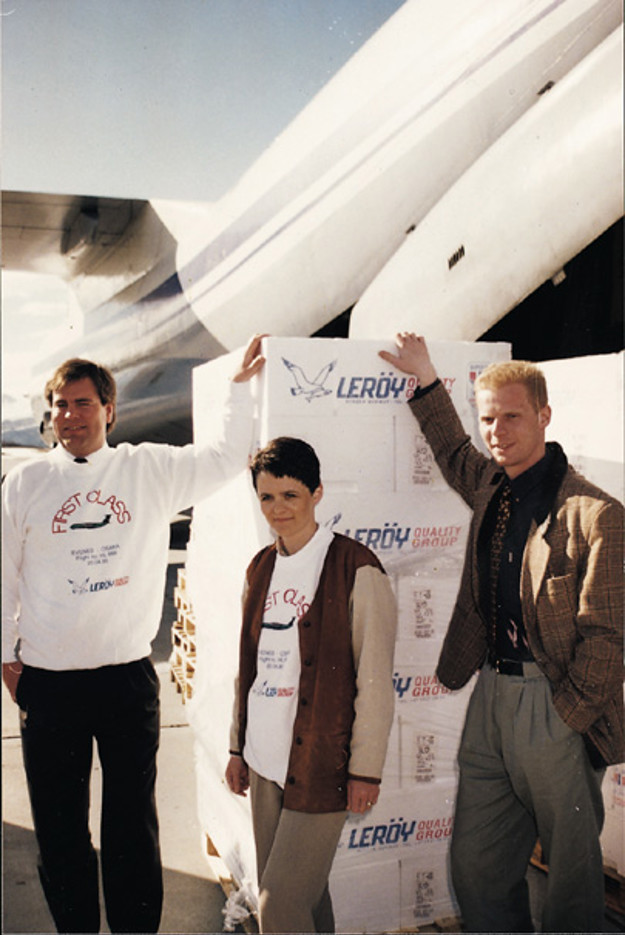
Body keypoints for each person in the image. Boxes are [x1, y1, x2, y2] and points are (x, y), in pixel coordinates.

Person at [2, 335, 265, 934]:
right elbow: (2, 576)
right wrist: (6, 659)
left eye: (83, 403)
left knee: (131, 826)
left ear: (109, 410)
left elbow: (226, 457)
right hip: (49, 684)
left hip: (125, 680)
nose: (70, 416)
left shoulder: (148, 469)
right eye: (60, 405)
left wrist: (236, 389)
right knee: (60, 829)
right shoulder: (25, 484)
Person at [380, 332, 624, 934]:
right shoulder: (492, 487)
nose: (497, 431)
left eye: (511, 417)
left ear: (544, 416)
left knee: (570, 881)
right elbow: (452, 449)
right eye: (488, 419)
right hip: (489, 695)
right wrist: (426, 377)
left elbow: (608, 637)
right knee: (476, 866)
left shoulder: (596, 515)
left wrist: (566, 717)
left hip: (553, 704)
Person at [225, 436, 397, 934]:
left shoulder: (355, 567)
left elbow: (374, 680)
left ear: (317, 493)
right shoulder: (260, 567)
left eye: (290, 495)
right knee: (307, 902)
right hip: (264, 761)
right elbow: (248, 670)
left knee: (279, 905)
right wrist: (237, 748)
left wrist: (365, 770)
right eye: (266, 497)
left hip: (321, 764)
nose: (277, 509)